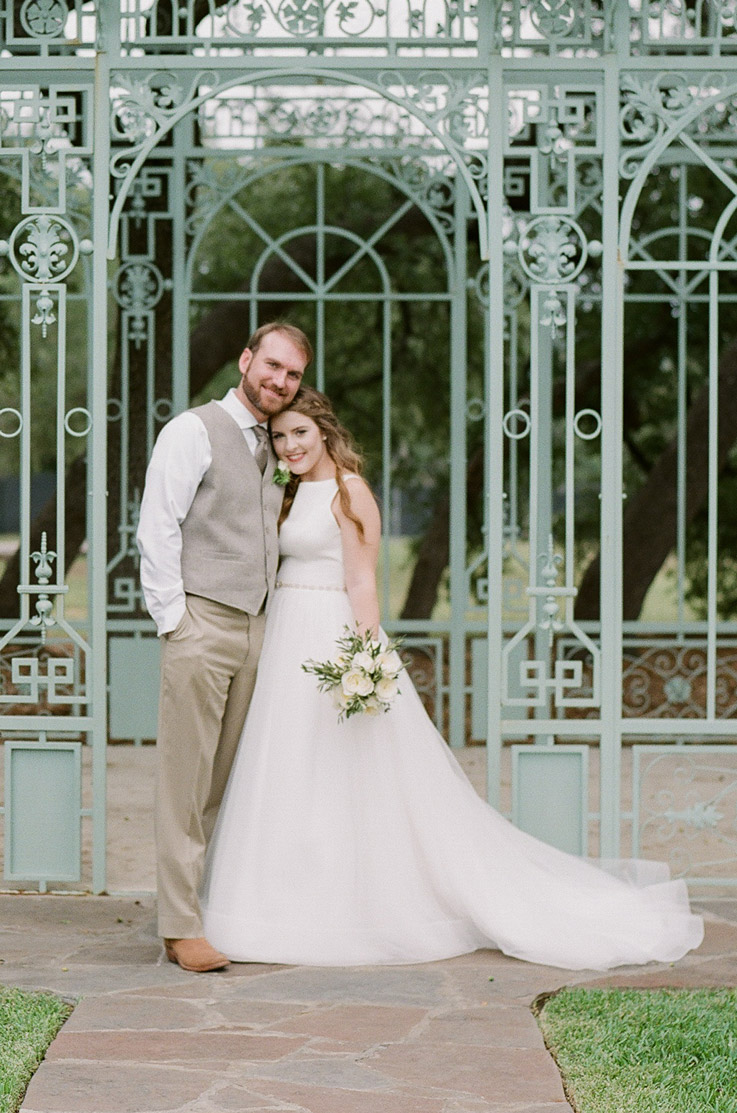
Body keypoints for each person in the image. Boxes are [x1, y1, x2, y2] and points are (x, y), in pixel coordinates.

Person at [201, 385, 704, 970]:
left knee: (345, 767)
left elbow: (364, 580)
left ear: (325, 431)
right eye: (280, 436)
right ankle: (276, 898)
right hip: (287, 632)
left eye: (300, 434)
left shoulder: (350, 492)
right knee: (286, 763)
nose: (289, 446)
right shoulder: (285, 494)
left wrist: (365, 654)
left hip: (331, 631)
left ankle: (356, 904)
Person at [136, 321, 312, 972]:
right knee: (185, 779)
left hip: (255, 626)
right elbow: (157, 527)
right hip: (202, 621)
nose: (279, 381)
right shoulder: (193, 430)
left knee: (221, 784)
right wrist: (174, 621)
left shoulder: (279, 444)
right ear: (246, 360)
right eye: (271, 366)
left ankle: (202, 904)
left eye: (292, 373)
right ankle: (180, 926)